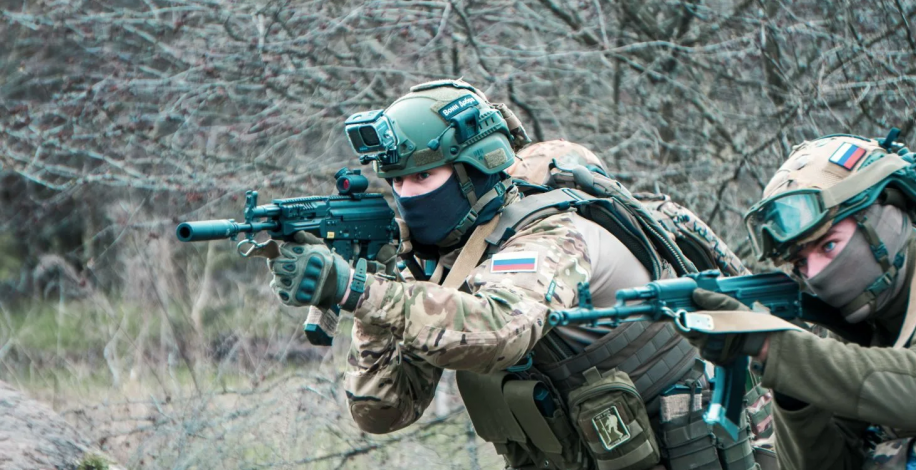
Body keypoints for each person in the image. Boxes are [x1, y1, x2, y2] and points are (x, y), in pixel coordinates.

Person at [265, 79, 721, 470]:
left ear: (474, 169)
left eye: (422, 177)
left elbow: (498, 329)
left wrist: (355, 289)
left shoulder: (553, 234)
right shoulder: (446, 260)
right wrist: (375, 281)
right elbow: (382, 411)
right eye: (397, 181)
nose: (406, 195)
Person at [683, 133, 916, 469]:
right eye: (800, 262)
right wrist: (792, 389)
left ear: (884, 216)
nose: (815, 274)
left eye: (828, 245)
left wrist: (776, 347)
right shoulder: (859, 325)